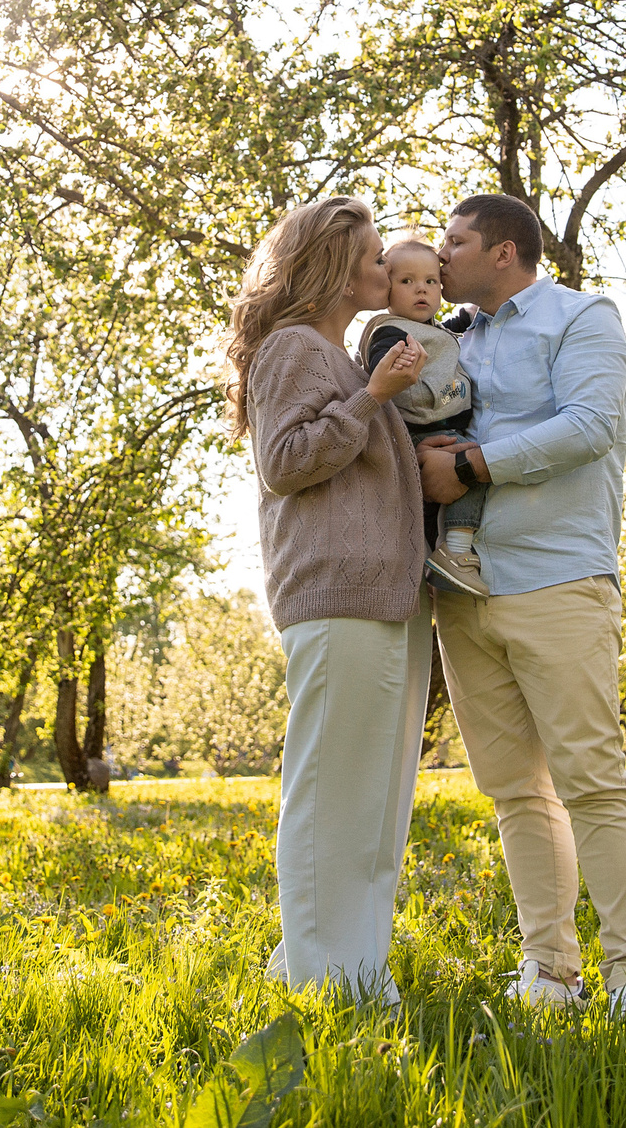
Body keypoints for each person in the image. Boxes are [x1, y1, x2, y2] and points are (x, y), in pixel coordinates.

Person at [416, 192, 626, 1016]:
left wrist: (473, 465)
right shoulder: (448, 337)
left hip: (558, 579)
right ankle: (550, 970)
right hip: (463, 589)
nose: (439, 255)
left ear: (504, 251)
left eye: (454, 241)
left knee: (591, 779)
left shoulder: (581, 317)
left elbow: (591, 425)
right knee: (516, 791)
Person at [225, 195, 432, 1000]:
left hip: (382, 596)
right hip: (335, 593)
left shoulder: (342, 356)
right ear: (339, 270)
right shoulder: (293, 347)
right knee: (332, 798)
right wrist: (373, 396)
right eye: (377, 257)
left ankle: (352, 972)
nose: (390, 267)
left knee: (373, 809)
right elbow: (285, 461)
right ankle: (325, 984)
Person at [358, 237, 493, 597]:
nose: (421, 288)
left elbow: (460, 321)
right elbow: (381, 361)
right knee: (470, 465)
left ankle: (433, 562)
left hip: (442, 423)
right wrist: (394, 363)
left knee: (434, 510)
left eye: (431, 281)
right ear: (387, 288)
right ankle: (457, 550)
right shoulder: (389, 330)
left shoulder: (436, 330)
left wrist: (478, 303)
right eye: (407, 281)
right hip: (422, 429)